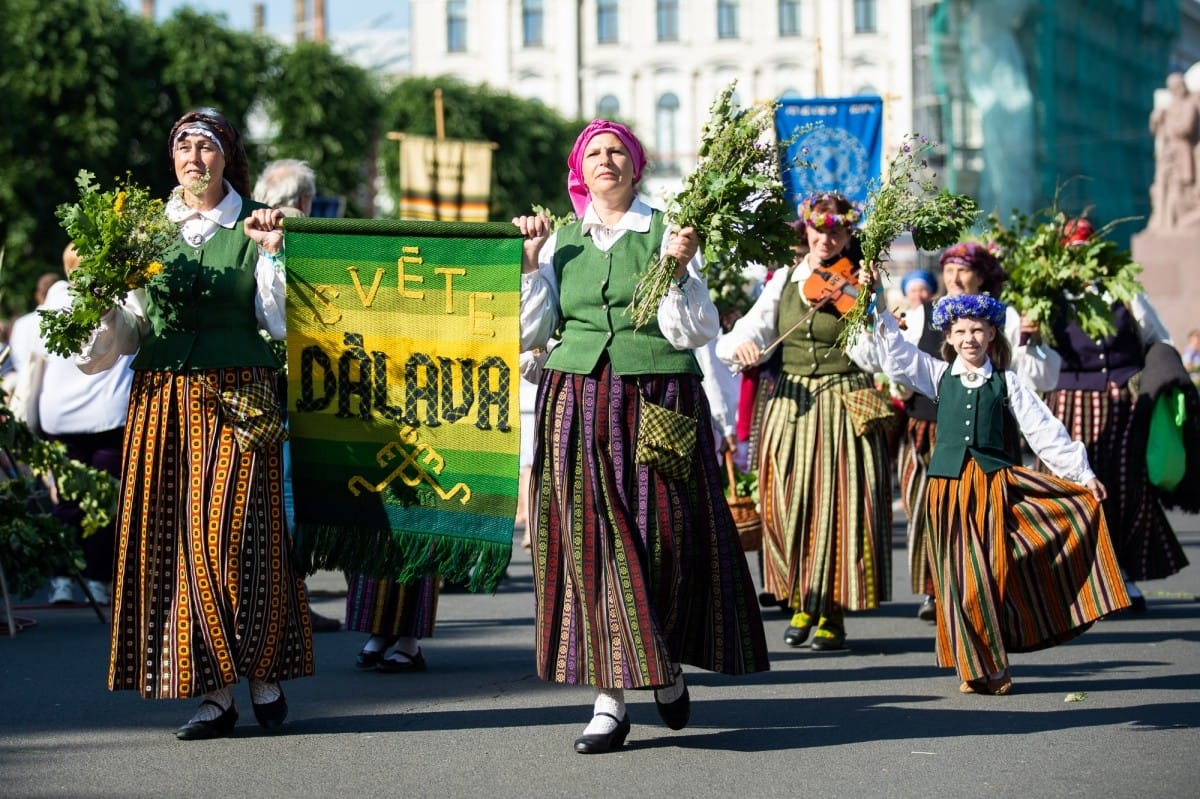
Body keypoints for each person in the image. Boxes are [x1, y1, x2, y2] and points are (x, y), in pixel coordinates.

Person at [514, 119, 769, 755]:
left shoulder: (666, 232)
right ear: (581, 168)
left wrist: (679, 271)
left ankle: (667, 667)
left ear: (636, 165)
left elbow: (694, 332)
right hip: (575, 401)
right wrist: (525, 265)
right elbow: (530, 331)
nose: (606, 162)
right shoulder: (560, 243)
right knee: (591, 548)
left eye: (617, 153)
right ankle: (610, 702)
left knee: (663, 542)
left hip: (656, 397)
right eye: (594, 154)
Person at [78, 108, 313, 739]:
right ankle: (214, 693)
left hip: (240, 391)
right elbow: (127, 333)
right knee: (179, 542)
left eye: (206, 146)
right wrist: (96, 292)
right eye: (183, 145)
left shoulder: (257, 222)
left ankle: (262, 669)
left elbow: (282, 323)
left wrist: (274, 254)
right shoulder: (144, 232)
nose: (193, 156)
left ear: (226, 157)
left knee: (238, 538)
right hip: (163, 402)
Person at [871, 293, 1130, 695]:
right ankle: (973, 666)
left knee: (987, 577)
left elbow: (1043, 431)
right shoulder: (938, 375)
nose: (969, 338)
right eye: (960, 331)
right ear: (949, 337)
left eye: (977, 330)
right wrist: (881, 303)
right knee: (957, 580)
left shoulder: (1006, 382)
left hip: (992, 486)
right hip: (948, 491)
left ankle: (991, 664)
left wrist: (1082, 473)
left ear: (992, 334)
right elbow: (895, 356)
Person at [716, 192, 891, 653]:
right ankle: (801, 598)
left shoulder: (860, 282)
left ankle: (831, 611)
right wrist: (743, 347)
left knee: (838, 507)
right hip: (790, 403)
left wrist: (862, 306)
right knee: (785, 504)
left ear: (848, 233)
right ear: (807, 231)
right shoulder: (784, 281)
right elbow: (747, 331)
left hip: (843, 399)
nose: (827, 238)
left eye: (836, 231)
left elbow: (875, 358)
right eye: (820, 230)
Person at [897, 242, 1063, 624]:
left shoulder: (1006, 320)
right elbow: (898, 363)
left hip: (992, 437)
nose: (954, 277)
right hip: (930, 431)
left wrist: (1032, 342)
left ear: (982, 275)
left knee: (992, 530)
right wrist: (885, 325)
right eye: (949, 269)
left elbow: (1037, 383)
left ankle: (996, 604)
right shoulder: (924, 315)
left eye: (963, 269)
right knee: (929, 512)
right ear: (950, 337)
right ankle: (935, 590)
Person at [1039, 220, 1188, 612]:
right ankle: (1068, 578)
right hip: (1068, 407)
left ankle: (1122, 574)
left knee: (1124, 490)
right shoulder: (1049, 296)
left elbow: (1157, 338)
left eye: (1085, 249)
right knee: (1071, 491)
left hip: (1121, 407)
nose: (1080, 260)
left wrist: (1146, 379)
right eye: (1071, 251)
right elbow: (1032, 360)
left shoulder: (1125, 292)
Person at [251, 158, 341, 634]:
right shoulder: (315, 236)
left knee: (269, 492)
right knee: (290, 491)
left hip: (257, 381)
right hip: (308, 382)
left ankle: (278, 599)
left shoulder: (250, 231)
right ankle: (289, 601)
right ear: (306, 199)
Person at [35, 244, 132, 607]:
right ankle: (97, 580)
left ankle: (61, 580)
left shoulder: (44, 312)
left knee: (67, 503)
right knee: (105, 502)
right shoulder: (117, 306)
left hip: (59, 421)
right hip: (108, 419)